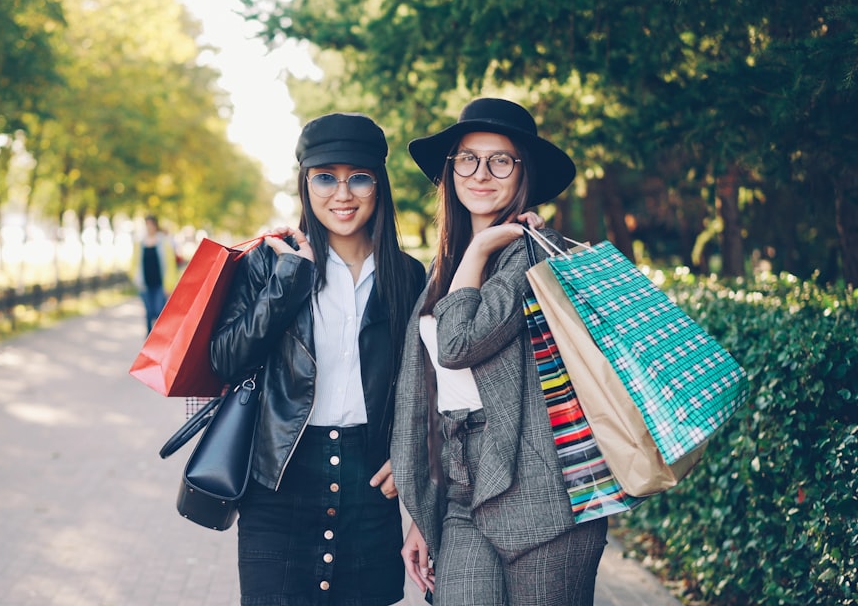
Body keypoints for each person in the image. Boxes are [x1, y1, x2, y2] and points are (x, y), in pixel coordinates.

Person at [391, 97, 608, 605]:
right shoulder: (440, 271)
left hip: (546, 492)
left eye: (500, 160)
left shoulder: (532, 256)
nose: (481, 173)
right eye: (467, 158)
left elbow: (458, 345)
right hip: (463, 489)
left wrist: (482, 247)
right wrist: (424, 512)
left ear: (522, 172)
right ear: (450, 171)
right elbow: (430, 392)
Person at [209, 112, 426, 605]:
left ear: (380, 184)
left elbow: (427, 383)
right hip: (279, 479)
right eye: (325, 177)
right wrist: (288, 281)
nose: (342, 194)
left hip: (370, 486)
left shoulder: (408, 277)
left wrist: (408, 455)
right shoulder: (269, 260)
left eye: (360, 178)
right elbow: (225, 359)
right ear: (305, 183)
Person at [135, 214, 178, 333]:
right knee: (149, 313)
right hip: (145, 284)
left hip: (160, 284)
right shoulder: (140, 243)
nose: (149, 227)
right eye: (146, 225)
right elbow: (135, 263)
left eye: (151, 224)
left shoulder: (164, 242)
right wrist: (135, 278)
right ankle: (148, 340)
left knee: (159, 311)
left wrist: (169, 285)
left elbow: (170, 265)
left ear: (155, 225)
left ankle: (158, 338)